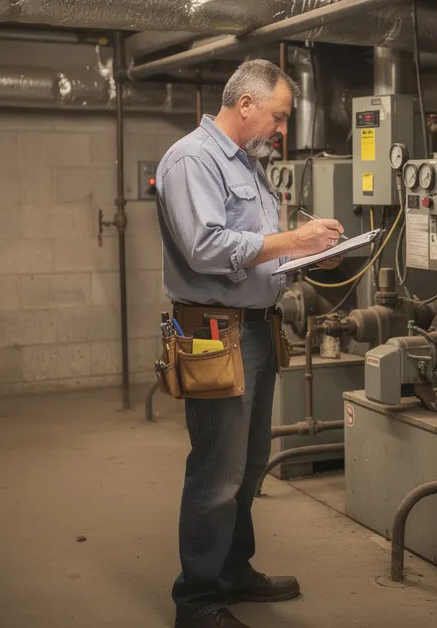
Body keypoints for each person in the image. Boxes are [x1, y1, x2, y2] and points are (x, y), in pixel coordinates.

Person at [155, 58, 345, 628]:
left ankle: (234, 570)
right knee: (217, 470)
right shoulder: (193, 159)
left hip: (257, 326)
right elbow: (206, 247)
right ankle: (198, 600)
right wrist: (293, 236)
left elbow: (259, 245)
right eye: (279, 118)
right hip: (214, 330)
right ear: (246, 105)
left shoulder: (248, 165)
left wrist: (307, 253)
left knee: (250, 463)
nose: (282, 131)